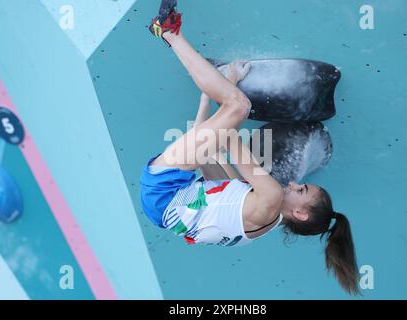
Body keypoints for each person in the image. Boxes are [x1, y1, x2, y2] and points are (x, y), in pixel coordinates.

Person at [141, 1, 360, 295]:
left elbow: (230, 138)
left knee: (239, 105)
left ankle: (168, 31)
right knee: (223, 119)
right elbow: (213, 163)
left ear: (301, 213)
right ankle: (183, 50)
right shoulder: (260, 225)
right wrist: (206, 100)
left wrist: (227, 82)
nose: (295, 183)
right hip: (161, 206)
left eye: (302, 190)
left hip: (164, 191)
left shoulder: (268, 195)